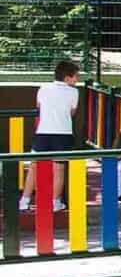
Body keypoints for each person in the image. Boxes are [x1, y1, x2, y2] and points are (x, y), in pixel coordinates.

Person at [23, 60, 80, 211]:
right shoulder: (74, 92)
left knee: (34, 166)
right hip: (63, 133)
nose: (77, 79)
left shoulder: (43, 88)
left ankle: (24, 200)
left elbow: (39, 107)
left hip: (43, 131)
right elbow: (72, 112)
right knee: (59, 169)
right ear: (67, 78)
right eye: (75, 76)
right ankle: (55, 202)